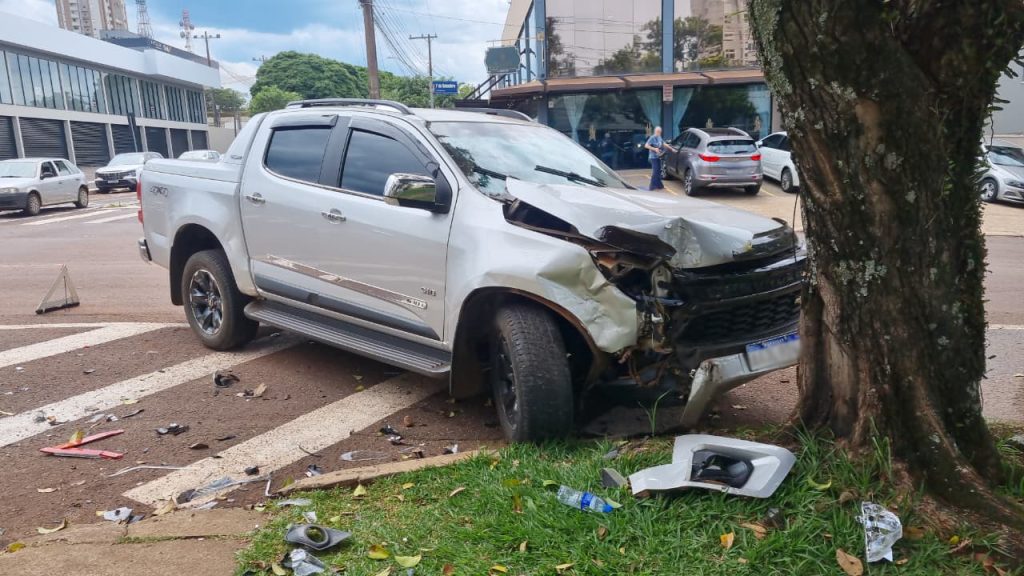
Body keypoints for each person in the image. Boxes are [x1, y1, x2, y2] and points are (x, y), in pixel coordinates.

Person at [644, 126, 675, 191]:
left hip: (658, 156)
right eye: (658, 131)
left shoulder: (659, 137)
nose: (659, 133)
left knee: (658, 171)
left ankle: (659, 185)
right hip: (653, 157)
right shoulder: (652, 138)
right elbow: (646, 145)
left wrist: (671, 149)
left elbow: (663, 143)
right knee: (655, 171)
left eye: (660, 132)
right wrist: (654, 149)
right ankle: (651, 187)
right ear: (655, 131)